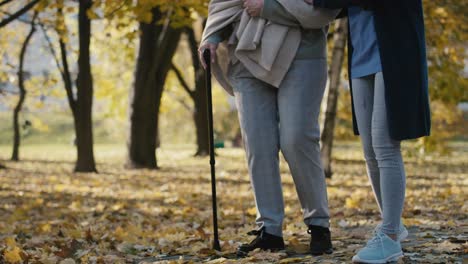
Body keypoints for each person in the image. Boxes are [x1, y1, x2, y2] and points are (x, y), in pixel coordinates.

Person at [199, 0, 340, 256]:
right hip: (246, 53)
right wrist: (212, 36)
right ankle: (270, 230)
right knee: (258, 144)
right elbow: (223, 4)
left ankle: (319, 225)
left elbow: (321, 12)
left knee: (297, 140)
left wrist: (269, 8)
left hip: (303, 53)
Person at [306, 0, 431, 263]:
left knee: (385, 146)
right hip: (363, 53)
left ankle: (389, 237)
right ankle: (393, 225)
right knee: (370, 151)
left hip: (395, 53)